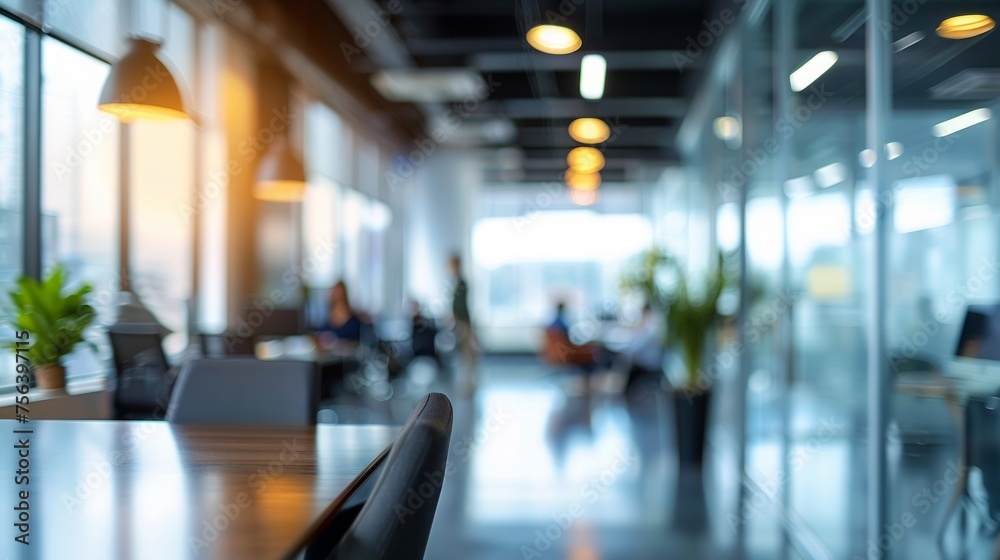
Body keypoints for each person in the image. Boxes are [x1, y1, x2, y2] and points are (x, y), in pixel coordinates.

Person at [541, 300, 599, 371]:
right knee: (593, 353)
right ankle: (589, 380)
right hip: (567, 354)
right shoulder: (562, 323)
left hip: (557, 355)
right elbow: (568, 339)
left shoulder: (552, 324)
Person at [449, 254, 478, 392]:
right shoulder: (456, 281)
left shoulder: (461, 282)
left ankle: (468, 383)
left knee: (466, 353)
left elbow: (459, 305)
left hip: (462, 322)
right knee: (463, 353)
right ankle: (465, 382)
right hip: (460, 321)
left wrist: (456, 317)